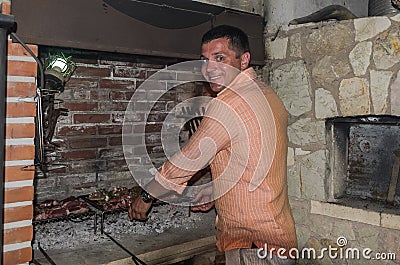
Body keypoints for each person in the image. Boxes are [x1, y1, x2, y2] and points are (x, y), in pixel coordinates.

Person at [128, 25, 297, 265]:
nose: (210, 69)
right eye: (205, 60)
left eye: (220, 58)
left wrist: (146, 195)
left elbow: (188, 160)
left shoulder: (228, 104)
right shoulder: (267, 94)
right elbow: (250, 160)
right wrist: (215, 192)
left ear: (244, 60)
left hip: (253, 245)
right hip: (275, 233)